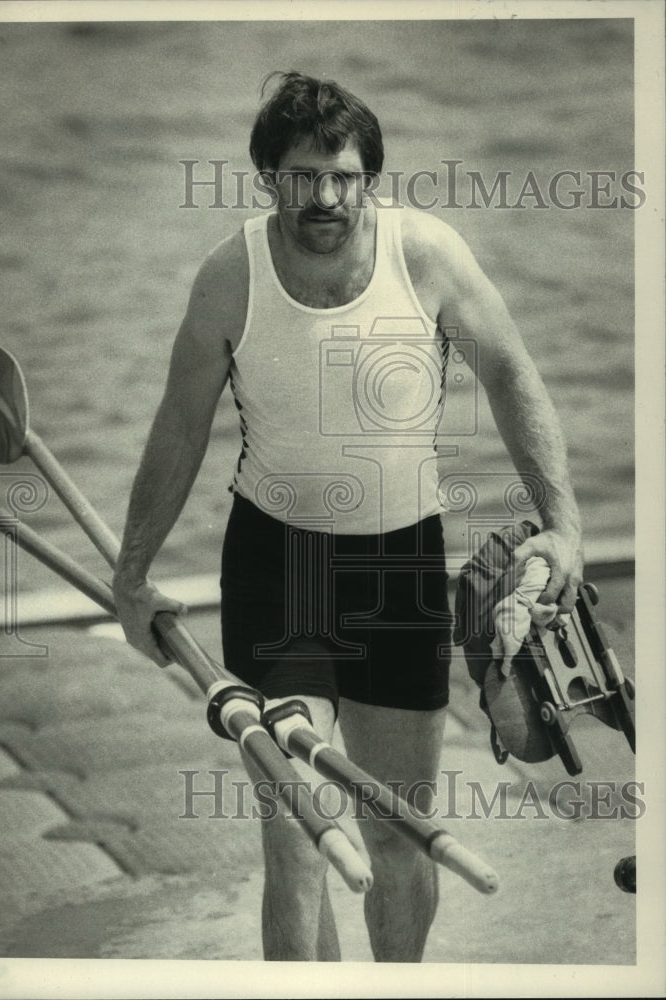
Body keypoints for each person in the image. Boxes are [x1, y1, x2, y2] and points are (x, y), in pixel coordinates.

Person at [113, 71, 584, 962]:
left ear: (370, 177)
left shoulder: (427, 255)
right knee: (298, 844)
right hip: (277, 568)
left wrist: (561, 525)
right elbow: (180, 424)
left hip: (398, 570)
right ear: (268, 178)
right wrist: (131, 575)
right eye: (303, 177)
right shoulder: (230, 277)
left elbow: (512, 375)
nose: (325, 198)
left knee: (397, 838)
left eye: (344, 178)